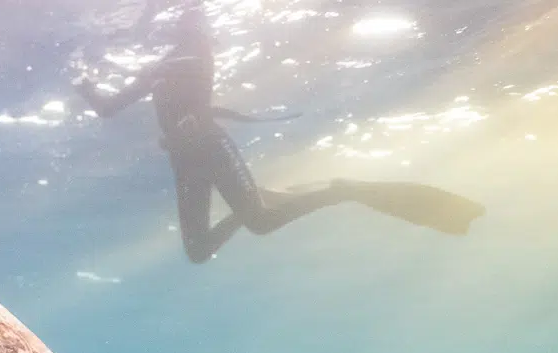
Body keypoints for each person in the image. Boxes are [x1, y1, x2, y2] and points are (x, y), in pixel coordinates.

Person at [73, 4, 485, 263]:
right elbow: (109, 109)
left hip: (212, 147)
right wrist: (84, 84)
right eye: (185, 26)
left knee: (263, 223)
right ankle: (250, 202)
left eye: (193, 27)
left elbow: (196, 63)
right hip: (185, 161)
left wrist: (155, 69)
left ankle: (342, 189)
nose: (188, 32)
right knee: (198, 252)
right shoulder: (162, 69)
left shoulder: (195, 57)